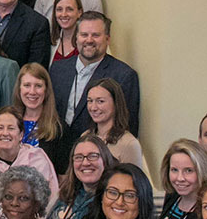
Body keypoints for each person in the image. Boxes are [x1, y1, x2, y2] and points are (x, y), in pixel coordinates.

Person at [50, 11, 142, 141]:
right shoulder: (57, 69)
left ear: (107, 39)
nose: (89, 40)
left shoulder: (123, 76)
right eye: (84, 35)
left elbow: (127, 127)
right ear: (76, 38)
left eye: (96, 35)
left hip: (98, 150)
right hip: (57, 148)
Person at [45, 131, 114, 219]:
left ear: (105, 159)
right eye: (78, 157)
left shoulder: (111, 202)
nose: (85, 163)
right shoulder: (63, 194)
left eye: (93, 156)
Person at [0, 107, 60, 214]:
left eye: (11, 128)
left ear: (21, 135)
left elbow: (46, 203)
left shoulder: (36, 159)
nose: (5, 133)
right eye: (0, 128)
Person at [85, 78, 147, 173]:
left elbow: (134, 180)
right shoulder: (86, 136)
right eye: (90, 101)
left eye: (100, 101)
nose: (93, 108)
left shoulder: (129, 144)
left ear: (116, 103)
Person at [11, 63, 65, 171]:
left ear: (46, 90)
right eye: (27, 85)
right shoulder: (9, 123)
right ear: (19, 89)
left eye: (38, 86)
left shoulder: (59, 128)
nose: (32, 92)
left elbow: (63, 176)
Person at [46, 0, 82, 65]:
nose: (64, 14)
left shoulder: (88, 41)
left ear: (79, 12)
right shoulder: (49, 42)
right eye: (59, 9)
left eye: (69, 9)